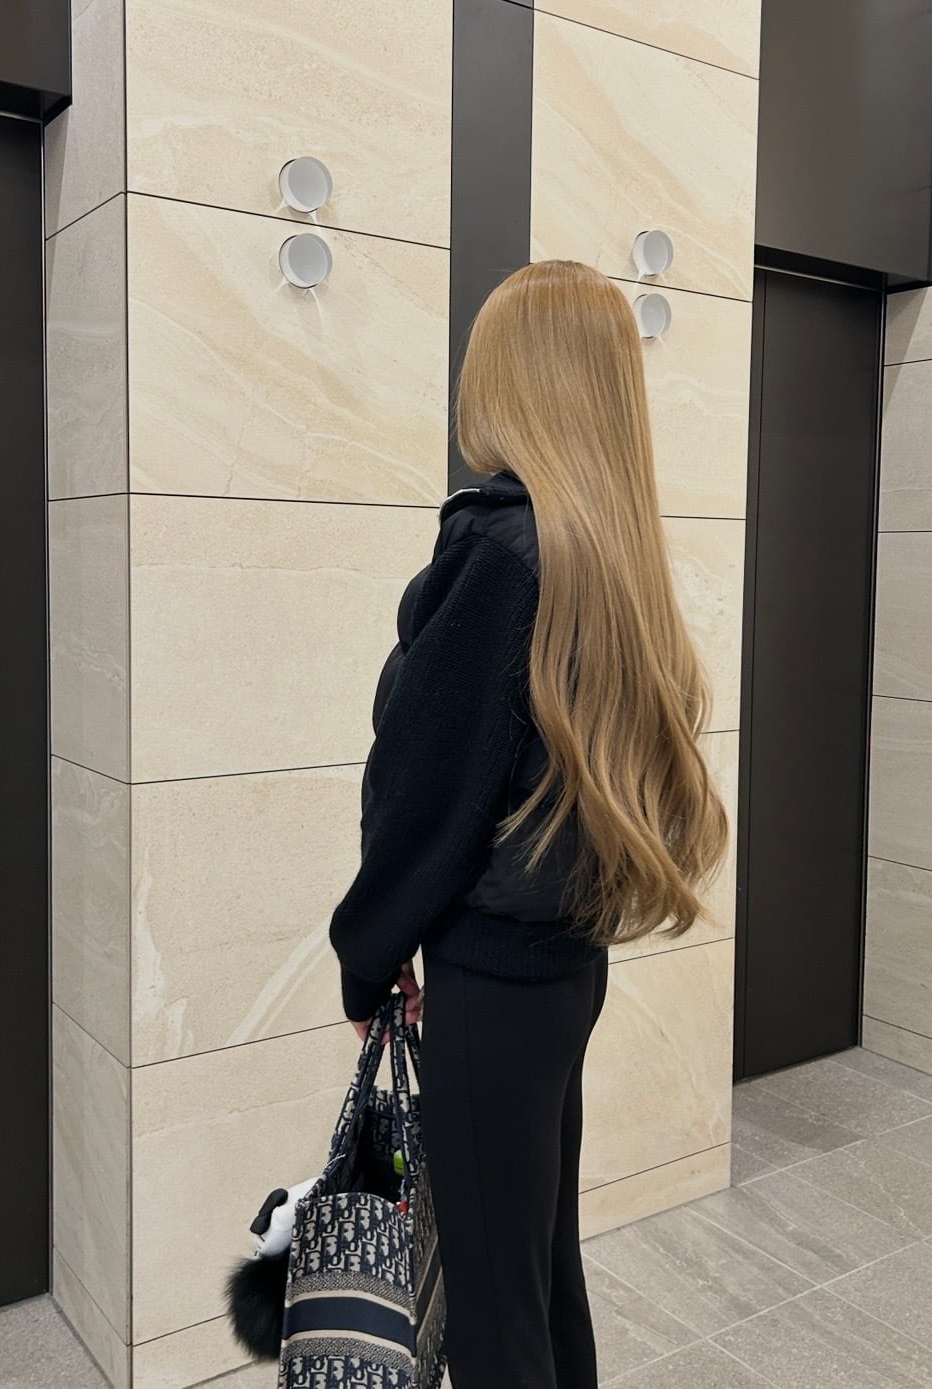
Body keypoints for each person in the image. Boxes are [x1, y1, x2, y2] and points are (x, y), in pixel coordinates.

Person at [328, 259, 730, 1389]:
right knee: (540, 1278)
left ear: (510, 380)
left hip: (492, 982)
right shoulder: (604, 551)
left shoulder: (502, 553)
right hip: (563, 971)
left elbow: (427, 786)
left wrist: (368, 954)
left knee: (496, 1310)